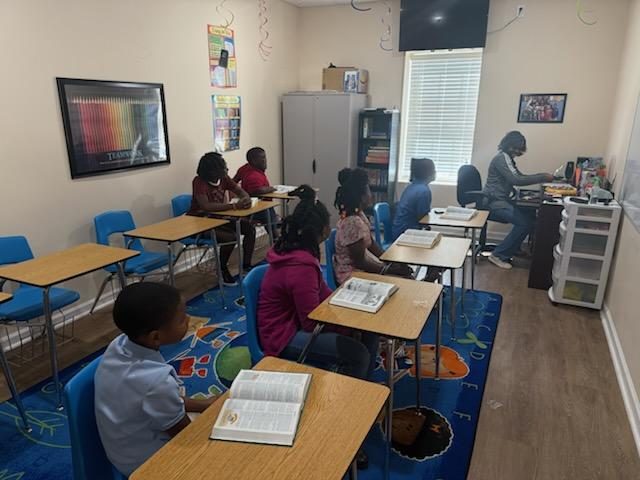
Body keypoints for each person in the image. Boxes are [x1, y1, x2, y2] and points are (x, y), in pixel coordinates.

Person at [257, 185, 378, 381]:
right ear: (320, 230)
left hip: (294, 324)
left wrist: (350, 318)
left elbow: (323, 295)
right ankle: (351, 395)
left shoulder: (300, 254)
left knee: (368, 331)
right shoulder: (301, 267)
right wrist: (346, 328)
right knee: (358, 355)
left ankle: (365, 385)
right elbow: (310, 322)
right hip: (283, 336)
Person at [95, 283, 217, 476]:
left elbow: (161, 401)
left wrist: (205, 405)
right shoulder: (156, 382)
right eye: (181, 320)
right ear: (155, 337)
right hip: (146, 463)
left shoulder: (118, 344)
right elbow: (184, 435)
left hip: (123, 447)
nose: (189, 319)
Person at [482, 131, 553, 269]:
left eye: (520, 148)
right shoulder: (502, 158)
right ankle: (498, 255)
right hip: (494, 201)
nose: (518, 151)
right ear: (508, 145)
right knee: (524, 224)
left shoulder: (508, 159)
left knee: (530, 216)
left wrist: (540, 177)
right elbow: (516, 180)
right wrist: (542, 177)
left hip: (502, 199)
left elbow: (519, 176)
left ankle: (514, 248)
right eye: (516, 148)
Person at [188, 151, 256, 285]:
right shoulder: (199, 182)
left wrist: (246, 198)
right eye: (223, 167)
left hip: (219, 218)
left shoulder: (224, 178)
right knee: (230, 237)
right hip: (200, 221)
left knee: (249, 228)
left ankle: (246, 265)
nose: (227, 169)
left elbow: (240, 191)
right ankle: (222, 269)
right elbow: (206, 206)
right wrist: (234, 206)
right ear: (212, 171)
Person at [333, 168, 412, 285]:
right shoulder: (352, 222)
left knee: (404, 276)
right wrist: (388, 270)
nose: (371, 195)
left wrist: (388, 260)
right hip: (352, 276)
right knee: (403, 280)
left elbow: (371, 243)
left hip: (360, 270)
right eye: (368, 190)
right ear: (362, 196)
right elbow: (360, 262)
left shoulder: (359, 215)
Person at [233, 146, 279, 234]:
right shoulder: (253, 175)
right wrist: (272, 188)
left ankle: (276, 232)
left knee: (271, 211)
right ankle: (275, 237)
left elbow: (233, 182)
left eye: (265, 157)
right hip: (255, 208)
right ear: (253, 161)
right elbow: (257, 191)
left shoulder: (245, 168)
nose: (265, 160)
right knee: (269, 213)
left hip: (258, 205)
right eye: (262, 158)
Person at [391, 158, 436, 240]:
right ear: (428, 173)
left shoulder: (411, 186)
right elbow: (423, 219)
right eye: (434, 170)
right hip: (406, 233)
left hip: (398, 230)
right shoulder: (424, 191)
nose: (435, 172)